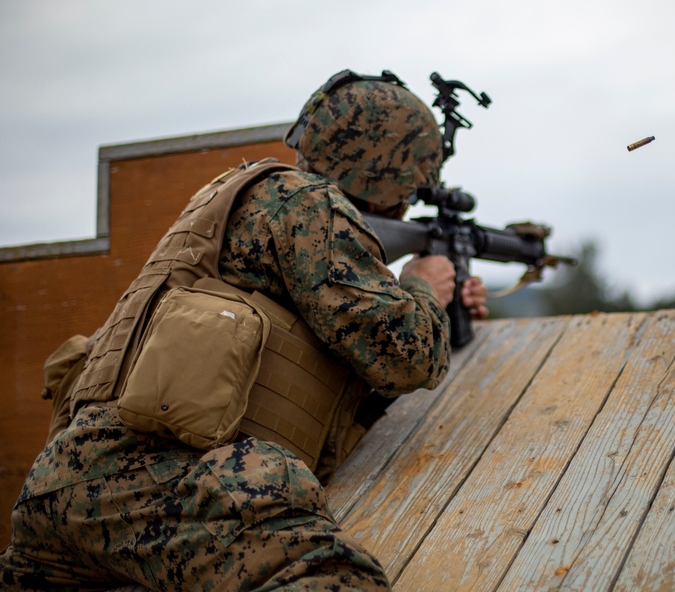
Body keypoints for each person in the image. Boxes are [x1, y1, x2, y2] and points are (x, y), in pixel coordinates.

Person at [0, 69, 488, 590]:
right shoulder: (308, 205)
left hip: (60, 486)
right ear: (392, 170)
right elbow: (406, 355)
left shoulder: (241, 196)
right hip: (155, 478)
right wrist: (422, 288)